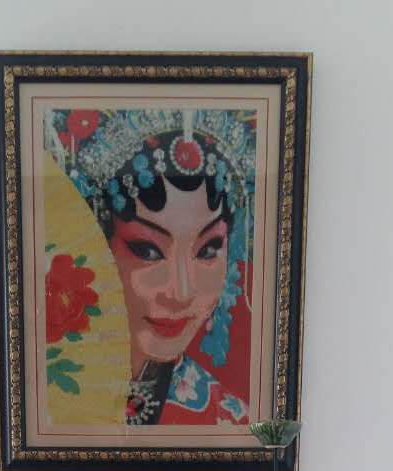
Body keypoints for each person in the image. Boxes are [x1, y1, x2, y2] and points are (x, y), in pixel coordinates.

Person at [45, 107, 256, 427]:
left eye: (208, 250)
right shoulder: (39, 399)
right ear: (94, 246)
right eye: (147, 251)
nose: (181, 293)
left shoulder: (232, 423)